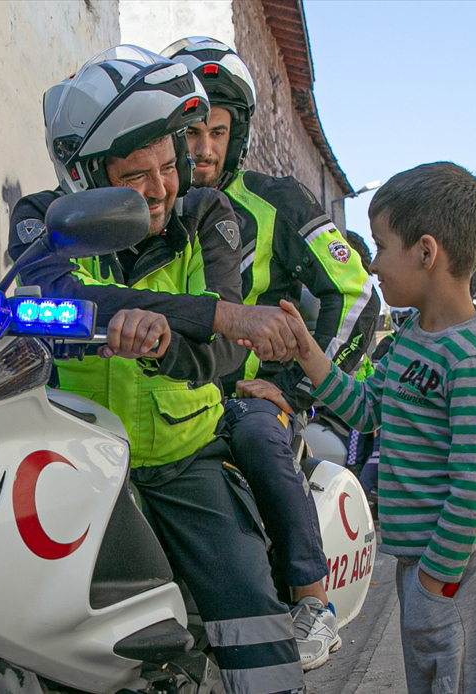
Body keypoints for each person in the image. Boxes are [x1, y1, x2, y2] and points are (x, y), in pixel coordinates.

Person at [9, 46, 304, 694]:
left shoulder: (207, 215)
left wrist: (164, 342)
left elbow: (225, 354)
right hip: (71, 456)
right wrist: (215, 314)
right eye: (135, 176)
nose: (161, 188)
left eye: (168, 166)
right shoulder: (44, 218)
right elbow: (49, 299)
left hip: (183, 457)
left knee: (248, 605)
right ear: (87, 178)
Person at [250, 162, 476, 694]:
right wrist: (309, 355)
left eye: (379, 246)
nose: (371, 265)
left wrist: (435, 581)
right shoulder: (411, 338)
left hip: (464, 568)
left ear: (426, 252)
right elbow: (370, 409)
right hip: (429, 565)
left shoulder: (475, 360)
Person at [163, 37, 379, 671]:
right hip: (167, 393)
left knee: (260, 437)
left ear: (239, 134)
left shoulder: (279, 200)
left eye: (218, 131)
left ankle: (312, 603)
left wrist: (300, 388)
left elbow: (357, 294)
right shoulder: (150, 207)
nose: (204, 147)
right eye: (191, 131)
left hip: (251, 396)